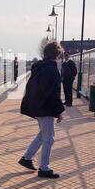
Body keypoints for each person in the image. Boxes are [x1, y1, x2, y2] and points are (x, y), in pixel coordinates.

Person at [20, 41, 65, 179]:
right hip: (45, 108)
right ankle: (44, 168)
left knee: (42, 134)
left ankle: (27, 158)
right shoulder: (51, 70)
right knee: (49, 139)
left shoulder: (39, 67)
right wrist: (59, 111)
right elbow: (53, 93)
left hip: (37, 107)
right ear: (56, 55)